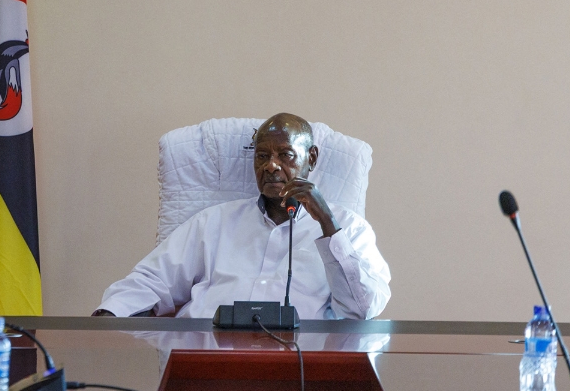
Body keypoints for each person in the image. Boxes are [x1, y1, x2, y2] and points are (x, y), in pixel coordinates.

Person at [94, 113, 390, 320]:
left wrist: (328, 227)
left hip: (301, 365)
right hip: (206, 358)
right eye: (262, 156)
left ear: (310, 158)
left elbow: (363, 309)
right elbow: (153, 279)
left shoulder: (349, 228)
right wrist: (111, 312)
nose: (271, 167)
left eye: (285, 155)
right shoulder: (214, 221)